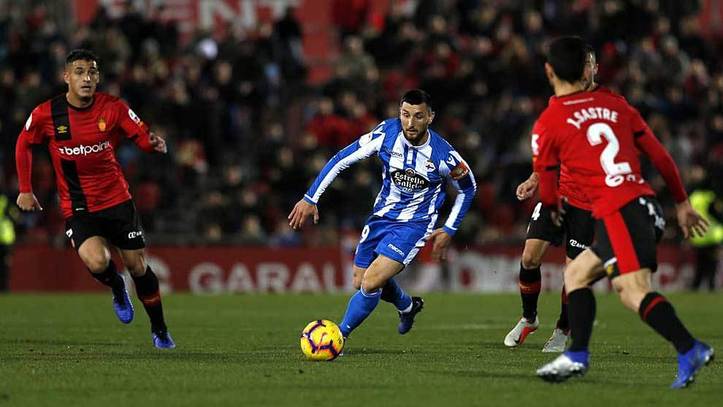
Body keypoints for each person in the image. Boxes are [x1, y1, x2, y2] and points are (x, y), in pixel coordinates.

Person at [532, 37, 712, 388]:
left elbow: (549, 177)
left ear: (549, 70)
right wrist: (682, 202)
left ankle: (690, 348)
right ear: (586, 70)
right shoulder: (616, 106)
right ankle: (576, 355)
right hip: (644, 205)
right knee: (577, 274)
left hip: (619, 211)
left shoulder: (549, 120)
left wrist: (552, 208)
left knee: (632, 291)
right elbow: (660, 156)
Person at [15, 49, 175, 349]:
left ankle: (160, 328)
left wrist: (150, 143)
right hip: (78, 207)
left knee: (137, 266)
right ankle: (116, 287)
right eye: (79, 71)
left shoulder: (113, 107)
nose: (86, 78)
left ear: (98, 77)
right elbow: (23, 142)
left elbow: (139, 134)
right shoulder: (47, 114)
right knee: (97, 260)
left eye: (91, 72)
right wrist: (25, 188)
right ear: (66, 77)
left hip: (117, 200)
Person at [288, 89, 476, 340]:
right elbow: (342, 158)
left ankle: (337, 337)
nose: (410, 123)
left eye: (418, 116)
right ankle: (407, 306)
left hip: (415, 224)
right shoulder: (386, 134)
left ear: (430, 117)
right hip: (382, 216)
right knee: (360, 279)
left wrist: (450, 228)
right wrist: (311, 198)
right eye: (405, 115)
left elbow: (468, 189)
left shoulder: (444, 156)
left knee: (371, 281)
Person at [505, 48, 598, 353]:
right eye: (580, 64)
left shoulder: (608, 106)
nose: (584, 70)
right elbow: (549, 150)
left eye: (588, 64)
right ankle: (529, 318)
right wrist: (534, 178)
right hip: (557, 194)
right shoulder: (560, 102)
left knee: (573, 273)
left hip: (589, 204)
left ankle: (562, 331)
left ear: (595, 68)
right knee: (530, 257)